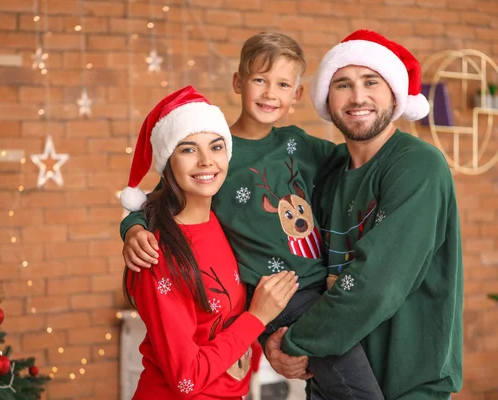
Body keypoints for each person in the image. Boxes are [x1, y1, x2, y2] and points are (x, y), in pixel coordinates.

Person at [121, 33, 385, 399]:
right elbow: (155, 202)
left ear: (296, 95)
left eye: (282, 84)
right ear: (238, 83)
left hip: (323, 288)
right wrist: (132, 227)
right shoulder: (217, 155)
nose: (269, 93)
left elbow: (357, 163)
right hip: (281, 297)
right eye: (260, 80)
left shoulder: (300, 144)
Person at [270, 29, 463, 399]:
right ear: (328, 97)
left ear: (394, 92)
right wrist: (137, 222)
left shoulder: (418, 165)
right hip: (332, 378)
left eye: (371, 81)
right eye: (342, 84)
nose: (358, 97)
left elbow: (376, 284)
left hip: (409, 384)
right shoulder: (327, 171)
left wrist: (292, 342)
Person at [120, 85, 299, 399]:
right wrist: (257, 317)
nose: (206, 161)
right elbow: (185, 378)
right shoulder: (156, 253)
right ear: (168, 162)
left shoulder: (223, 219)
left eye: (216, 147)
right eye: (188, 149)